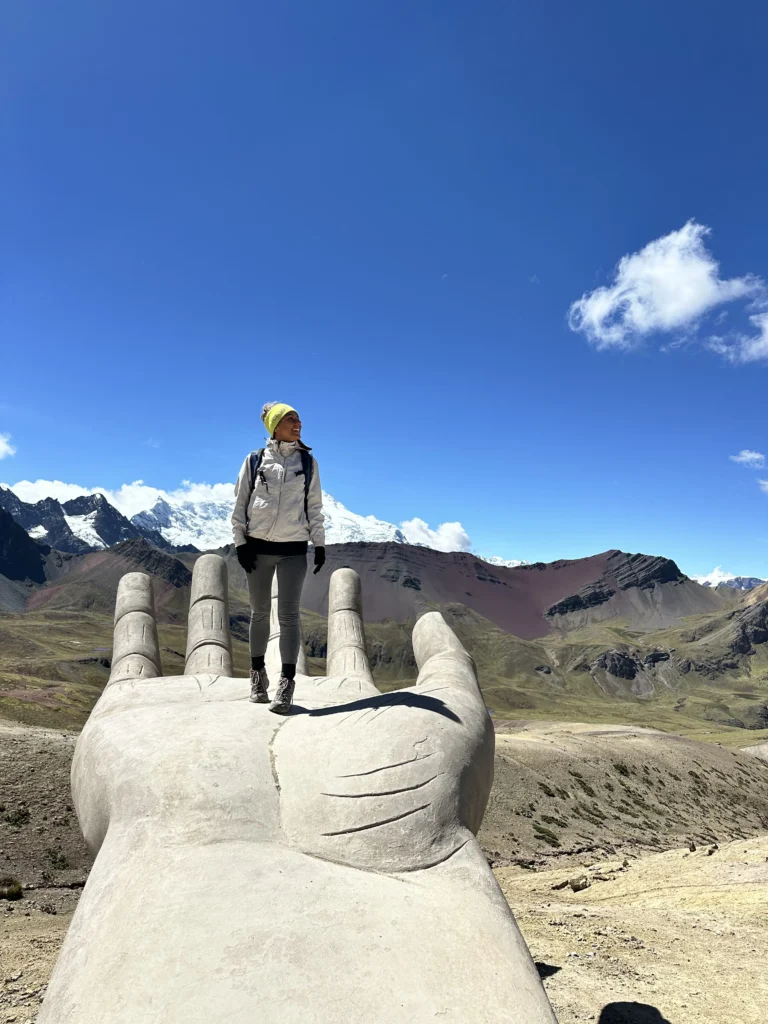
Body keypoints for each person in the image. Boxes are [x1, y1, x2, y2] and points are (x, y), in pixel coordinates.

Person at [231, 402, 326, 714]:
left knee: (288, 617)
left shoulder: (308, 463)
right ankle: (257, 676)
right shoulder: (254, 460)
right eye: (290, 419)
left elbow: (314, 507)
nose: (297, 424)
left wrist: (320, 544)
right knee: (259, 614)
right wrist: (240, 543)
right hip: (257, 549)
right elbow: (240, 504)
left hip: (293, 551)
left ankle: (286, 684)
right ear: (274, 426)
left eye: (299, 419)